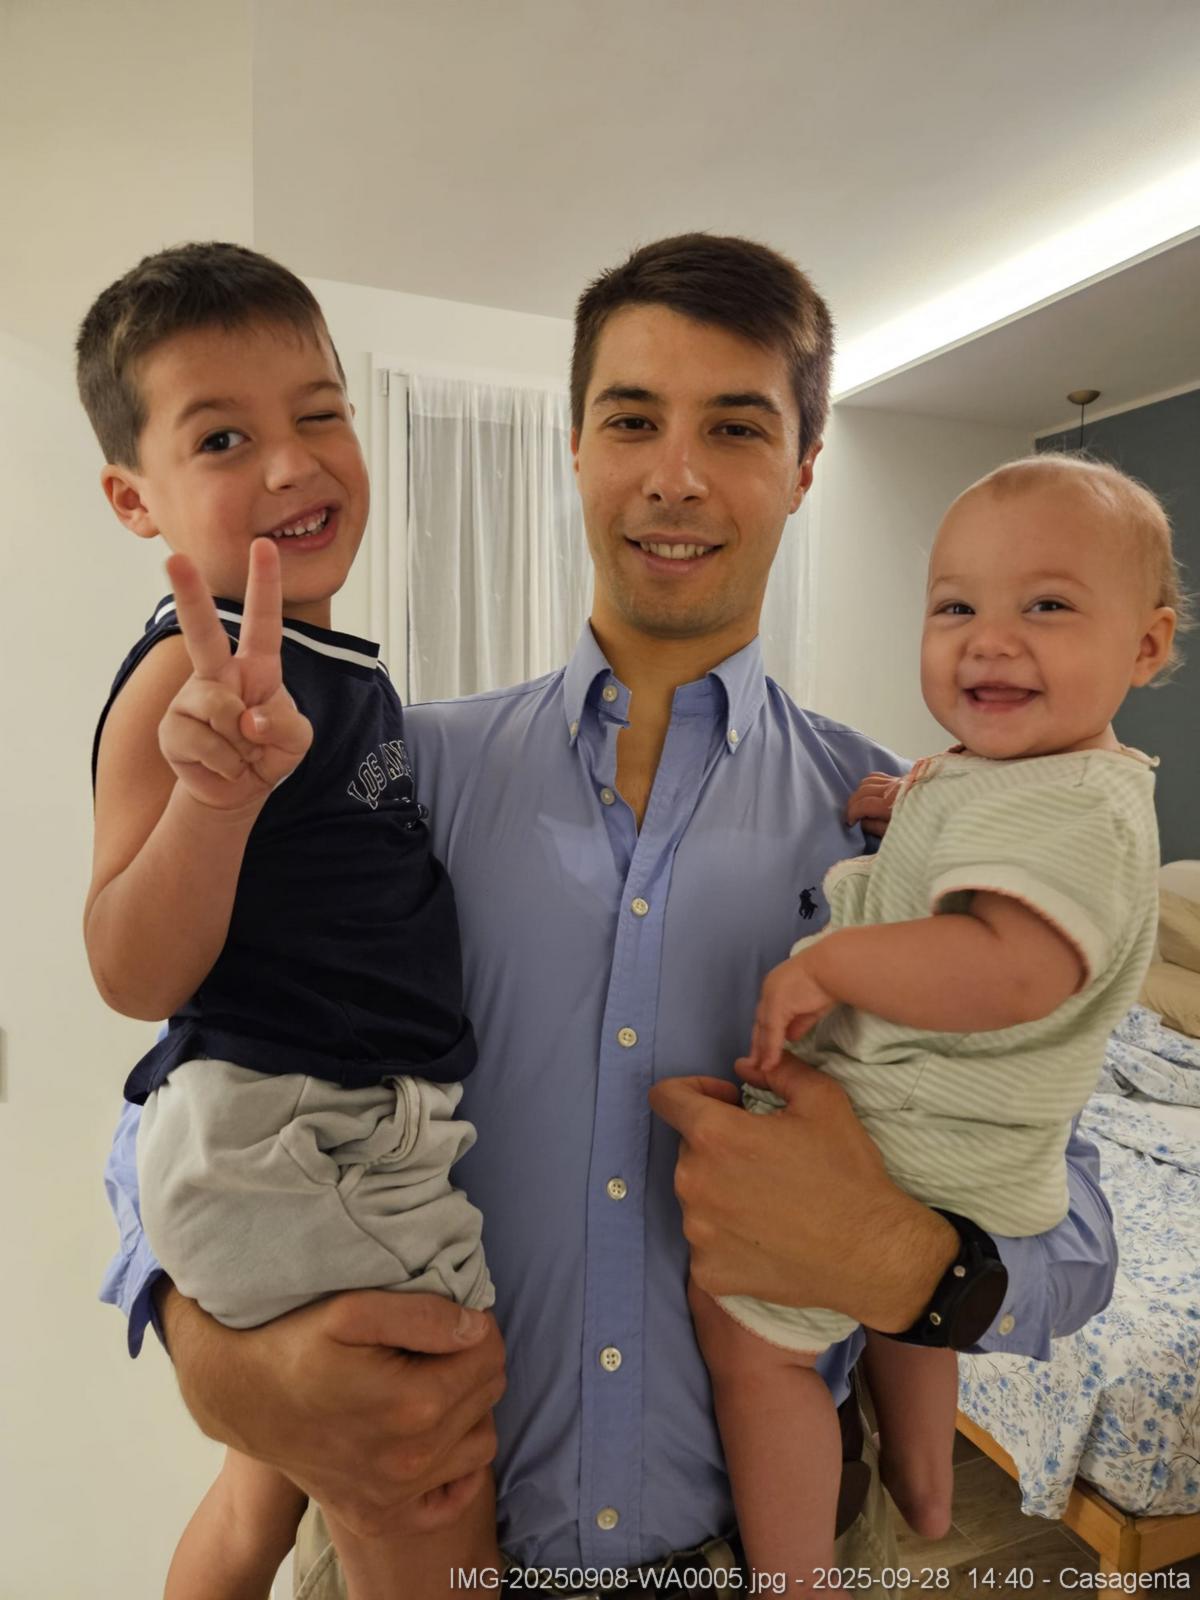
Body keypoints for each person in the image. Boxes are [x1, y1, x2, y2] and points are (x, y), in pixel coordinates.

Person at [99, 234, 1120, 1600]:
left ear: (804, 467)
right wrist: (221, 1357)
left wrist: (900, 1258)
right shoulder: (400, 773)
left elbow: (1069, 1199)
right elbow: (191, 1086)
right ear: (574, 446)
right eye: (632, 420)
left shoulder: (910, 832)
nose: (674, 476)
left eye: (736, 428)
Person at [80, 242, 501, 1600]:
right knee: (425, 1463)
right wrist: (213, 804)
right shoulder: (186, 681)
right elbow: (129, 965)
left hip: (312, 1117)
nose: (290, 463)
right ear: (134, 497)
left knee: (258, 1494)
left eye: (320, 413)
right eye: (222, 438)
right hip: (298, 1126)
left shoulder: (331, 669)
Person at [690, 453, 1181, 1589]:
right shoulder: (1016, 777)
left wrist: (833, 963)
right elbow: (966, 858)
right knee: (902, 1309)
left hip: (928, 1129)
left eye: (1046, 606)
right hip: (954, 1152)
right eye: (956, 607)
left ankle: (792, 1573)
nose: (990, 641)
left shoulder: (1078, 805)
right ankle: (921, 1476)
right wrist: (909, 810)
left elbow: (1009, 966)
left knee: (750, 1338)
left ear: (1146, 647)